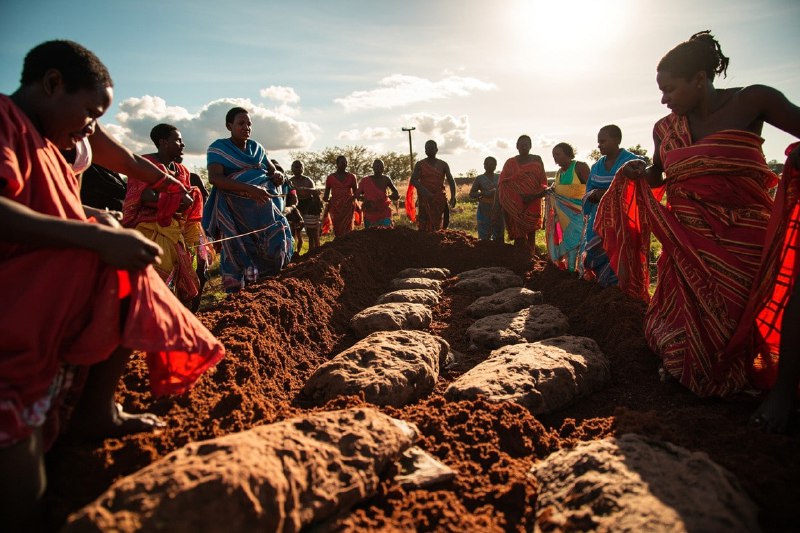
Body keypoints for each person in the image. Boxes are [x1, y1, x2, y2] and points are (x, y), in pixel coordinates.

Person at [0, 40, 225, 529]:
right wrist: (90, 230)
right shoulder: (5, 123)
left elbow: (122, 158)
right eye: (89, 111)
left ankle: (95, 410)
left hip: (61, 262)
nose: (90, 125)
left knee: (129, 274)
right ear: (52, 83)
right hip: (18, 276)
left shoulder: (70, 131)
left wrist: (167, 185)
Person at [596, 31, 800, 418]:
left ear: (700, 78)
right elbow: (660, 175)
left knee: (744, 314)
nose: (664, 99)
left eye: (670, 88)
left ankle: (774, 387)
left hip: (746, 236)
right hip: (688, 241)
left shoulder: (754, 100)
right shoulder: (665, 129)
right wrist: (639, 171)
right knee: (695, 342)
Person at [203, 107, 293, 292]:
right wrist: (249, 189)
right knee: (240, 249)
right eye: (241, 123)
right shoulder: (218, 148)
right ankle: (240, 293)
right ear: (229, 126)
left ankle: (268, 286)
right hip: (237, 214)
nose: (246, 128)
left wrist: (277, 176)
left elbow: (272, 170)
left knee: (273, 243)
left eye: (249, 124)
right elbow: (216, 179)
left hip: (264, 213)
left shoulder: (257, 148)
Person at [122, 123, 208, 307]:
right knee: (156, 282)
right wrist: (177, 200)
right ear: (162, 142)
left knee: (194, 273)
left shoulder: (182, 171)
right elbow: (144, 196)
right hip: (151, 231)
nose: (182, 144)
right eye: (177, 140)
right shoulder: (146, 165)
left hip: (176, 231)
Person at [579, 125, 642, 284]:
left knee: (621, 254)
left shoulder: (632, 162)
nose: (599, 145)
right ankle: (605, 290)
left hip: (623, 221)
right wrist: (594, 195)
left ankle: (622, 292)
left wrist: (606, 194)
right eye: (598, 141)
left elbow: (637, 190)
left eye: (603, 141)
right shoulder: (596, 166)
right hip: (598, 221)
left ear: (617, 140)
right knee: (598, 254)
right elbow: (588, 191)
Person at [498, 134, 548, 253]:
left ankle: (531, 260)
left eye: (527, 144)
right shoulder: (510, 162)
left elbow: (543, 181)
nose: (524, 146)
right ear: (517, 146)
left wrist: (533, 196)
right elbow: (503, 183)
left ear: (530, 146)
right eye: (521, 144)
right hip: (515, 204)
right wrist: (510, 200)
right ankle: (519, 260)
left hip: (533, 201)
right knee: (518, 235)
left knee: (531, 234)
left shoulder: (537, 159)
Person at [545, 143, 588, 270]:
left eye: (558, 154)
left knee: (578, 242)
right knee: (569, 243)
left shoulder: (580, 167)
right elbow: (557, 191)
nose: (555, 158)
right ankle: (569, 270)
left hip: (579, 214)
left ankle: (579, 270)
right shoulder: (558, 173)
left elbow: (590, 187)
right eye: (553, 155)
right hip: (565, 218)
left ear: (568, 153)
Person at [409, 140, 457, 232]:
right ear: (425, 151)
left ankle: (438, 241)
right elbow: (413, 180)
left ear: (436, 150)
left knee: (441, 223)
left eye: (431, 148)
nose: (429, 150)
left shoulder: (443, 164)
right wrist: (426, 193)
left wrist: (453, 196)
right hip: (424, 199)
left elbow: (451, 180)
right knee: (424, 222)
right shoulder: (420, 164)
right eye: (427, 148)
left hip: (439, 199)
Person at [289, 160, 322, 253]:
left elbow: (315, 192)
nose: (298, 168)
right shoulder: (290, 181)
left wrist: (305, 189)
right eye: (295, 167)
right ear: (292, 169)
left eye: (300, 166)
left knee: (311, 231)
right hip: (295, 205)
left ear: (303, 168)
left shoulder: (308, 180)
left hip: (308, 205)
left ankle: (312, 251)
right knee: (294, 231)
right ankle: (294, 252)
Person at [356, 158, 400, 228]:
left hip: (384, 212)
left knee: (388, 232)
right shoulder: (365, 181)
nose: (378, 168)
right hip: (370, 213)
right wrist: (366, 201)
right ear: (372, 168)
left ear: (383, 168)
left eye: (380, 166)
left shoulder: (386, 179)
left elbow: (396, 194)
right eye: (376, 166)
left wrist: (387, 198)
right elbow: (357, 195)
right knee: (370, 235)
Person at [469, 156, 504, 241]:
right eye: (487, 164)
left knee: (499, 234)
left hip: (498, 208)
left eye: (492, 164)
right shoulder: (480, 178)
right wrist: (484, 193)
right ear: (484, 165)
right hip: (484, 209)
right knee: (484, 235)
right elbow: (472, 194)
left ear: (496, 166)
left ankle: (499, 253)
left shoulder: (500, 177)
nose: (490, 166)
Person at [323, 155, 359, 238]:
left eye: (346, 162)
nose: (344, 164)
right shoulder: (330, 178)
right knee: (337, 229)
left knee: (348, 229)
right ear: (337, 164)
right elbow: (326, 196)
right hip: (335, 207)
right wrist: (329, 201)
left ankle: (348, 246)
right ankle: (340, 247)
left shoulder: (352, 177)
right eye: (342, 162)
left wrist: (351, 200)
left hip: (348, 207)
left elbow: (356, 193)